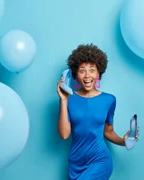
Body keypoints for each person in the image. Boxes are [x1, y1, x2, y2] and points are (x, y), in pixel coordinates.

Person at [57, 44, 139, 180]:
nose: (87, 76)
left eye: (92, 70)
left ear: (98, 73)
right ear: (75, 74)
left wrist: (124, 141)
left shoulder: (109, 100)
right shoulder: (68, 99)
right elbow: (65, 134)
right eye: (82, 70)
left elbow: (108, 132)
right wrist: (63, 100)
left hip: (100, 160)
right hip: (75, 163)